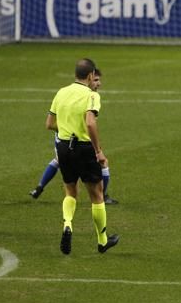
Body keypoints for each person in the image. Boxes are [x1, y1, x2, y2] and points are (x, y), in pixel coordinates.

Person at [46, 58, 118, 256]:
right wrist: (98, 151)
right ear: (89, 76)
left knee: (70, 191)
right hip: (84, 148)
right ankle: (102, 241)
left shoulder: (61, 92)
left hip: (63, 147)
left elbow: (49, 123)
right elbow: (90, 123)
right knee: (97, 194)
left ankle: (68, 224)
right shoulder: (91, 95)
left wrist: (68, 129)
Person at [30, 68, 117, 204]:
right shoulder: (89, 97)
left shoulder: (65, 92)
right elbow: (87, 124)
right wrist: (73, 129)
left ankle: (41, 189)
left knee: (65, 176)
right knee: (101, 164)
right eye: (95, 80)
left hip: (63, 142)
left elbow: (50, 123)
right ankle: (103, 197)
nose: (98, 83)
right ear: (88, 78)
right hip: (78, 142)